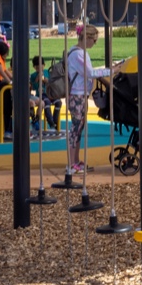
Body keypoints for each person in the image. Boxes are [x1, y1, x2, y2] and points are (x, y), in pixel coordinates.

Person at [64, 25, 117, 174]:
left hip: (81, 94)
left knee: (79, 128)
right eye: (94, 40)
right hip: (77, 95)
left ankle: (75, 161)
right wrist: (111, 71)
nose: (95, 43)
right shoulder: (77, 55)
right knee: (76, 129)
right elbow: (90, 73)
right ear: (87, 38)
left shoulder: (79, 53)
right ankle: (71, 163)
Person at [37, 55, 63, 135]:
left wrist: (47, 81)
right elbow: (34, 85)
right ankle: (51, 123)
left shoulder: (48, 72)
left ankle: (55, 122)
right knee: (47, 103)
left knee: (58, 102)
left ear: (44, 65)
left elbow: (53, 82)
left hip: (51, 93)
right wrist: (37, 79)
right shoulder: (34, 75)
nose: (39, 68)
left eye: (41, 65)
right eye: (37, 66)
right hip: (42, 94)